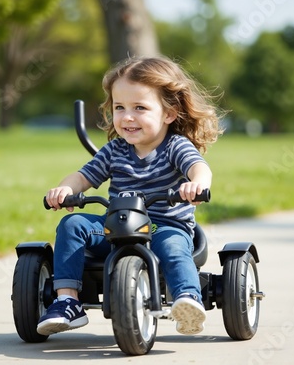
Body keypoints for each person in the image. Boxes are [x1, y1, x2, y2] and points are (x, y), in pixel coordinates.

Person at [37, 56, 222, 337]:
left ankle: (187, 299)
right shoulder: (114, 151)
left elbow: (199, 167)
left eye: (140, 108)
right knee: (72, 225)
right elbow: (83, 177)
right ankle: (67, 302)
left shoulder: (175, 146)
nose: (127, 117)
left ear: (169, 113)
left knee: (173, 249)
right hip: (116, 228)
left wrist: (196, 184)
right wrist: (66, 189)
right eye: (119, 107)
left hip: (163, 226)